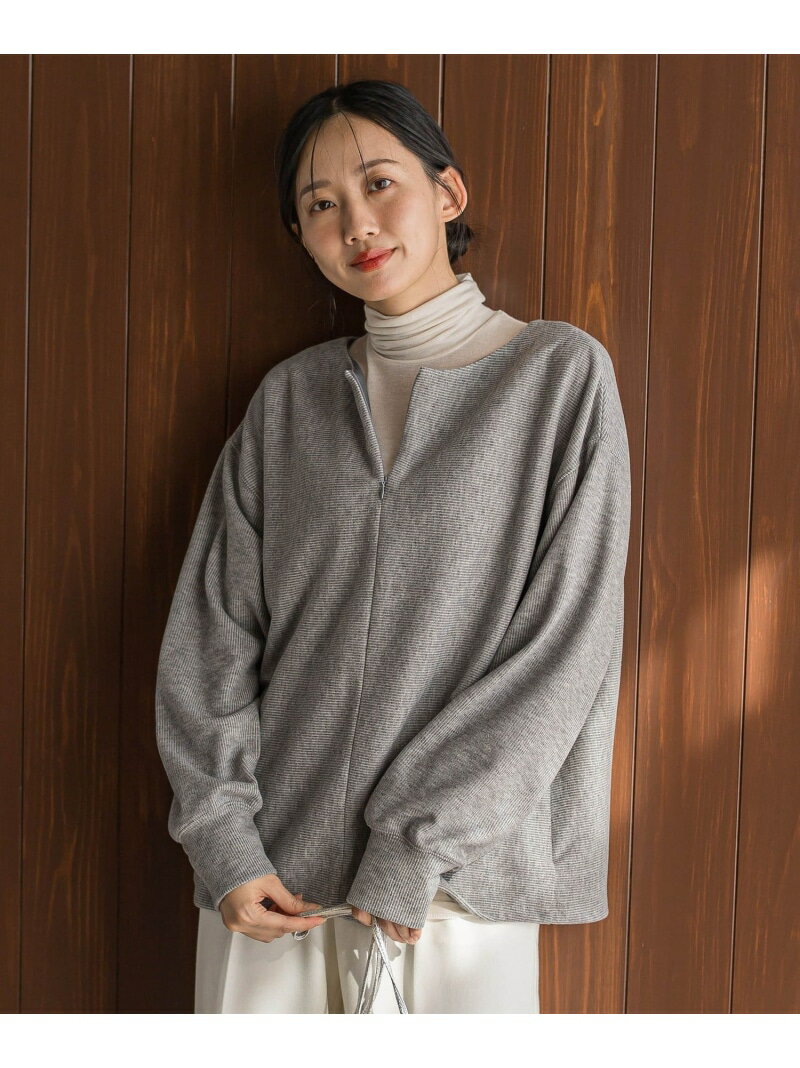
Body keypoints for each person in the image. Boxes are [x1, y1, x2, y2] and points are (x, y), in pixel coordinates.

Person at [155, 79, 632, 1014]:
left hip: (455, 898)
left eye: (380, 184)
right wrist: (223, 843)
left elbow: (566, 651)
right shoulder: (287, 404)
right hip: (271, 890)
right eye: (320, 205)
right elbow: (208, 639)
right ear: (301, 236)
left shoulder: (557, 379)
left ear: (447, 194)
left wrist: (417, 847)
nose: (357, 224)